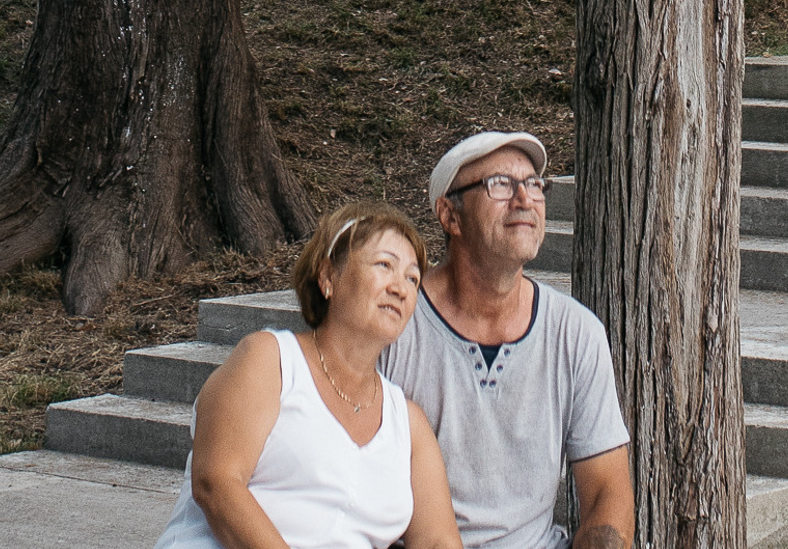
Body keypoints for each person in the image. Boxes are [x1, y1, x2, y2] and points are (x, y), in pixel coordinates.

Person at [152, 202, 464, 549]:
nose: (400, 288)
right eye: (384, 265)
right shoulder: (270, 360)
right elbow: (217, 483)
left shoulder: (408, 423)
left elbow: (439, 541)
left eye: (412, 278)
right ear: (328, 277)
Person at [380, 131, 633, 549]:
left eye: (534, 184)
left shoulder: (576, 332)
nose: (524, 199)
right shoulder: (395, 324)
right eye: (500, 184)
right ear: (450, 216)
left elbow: (609, 489)